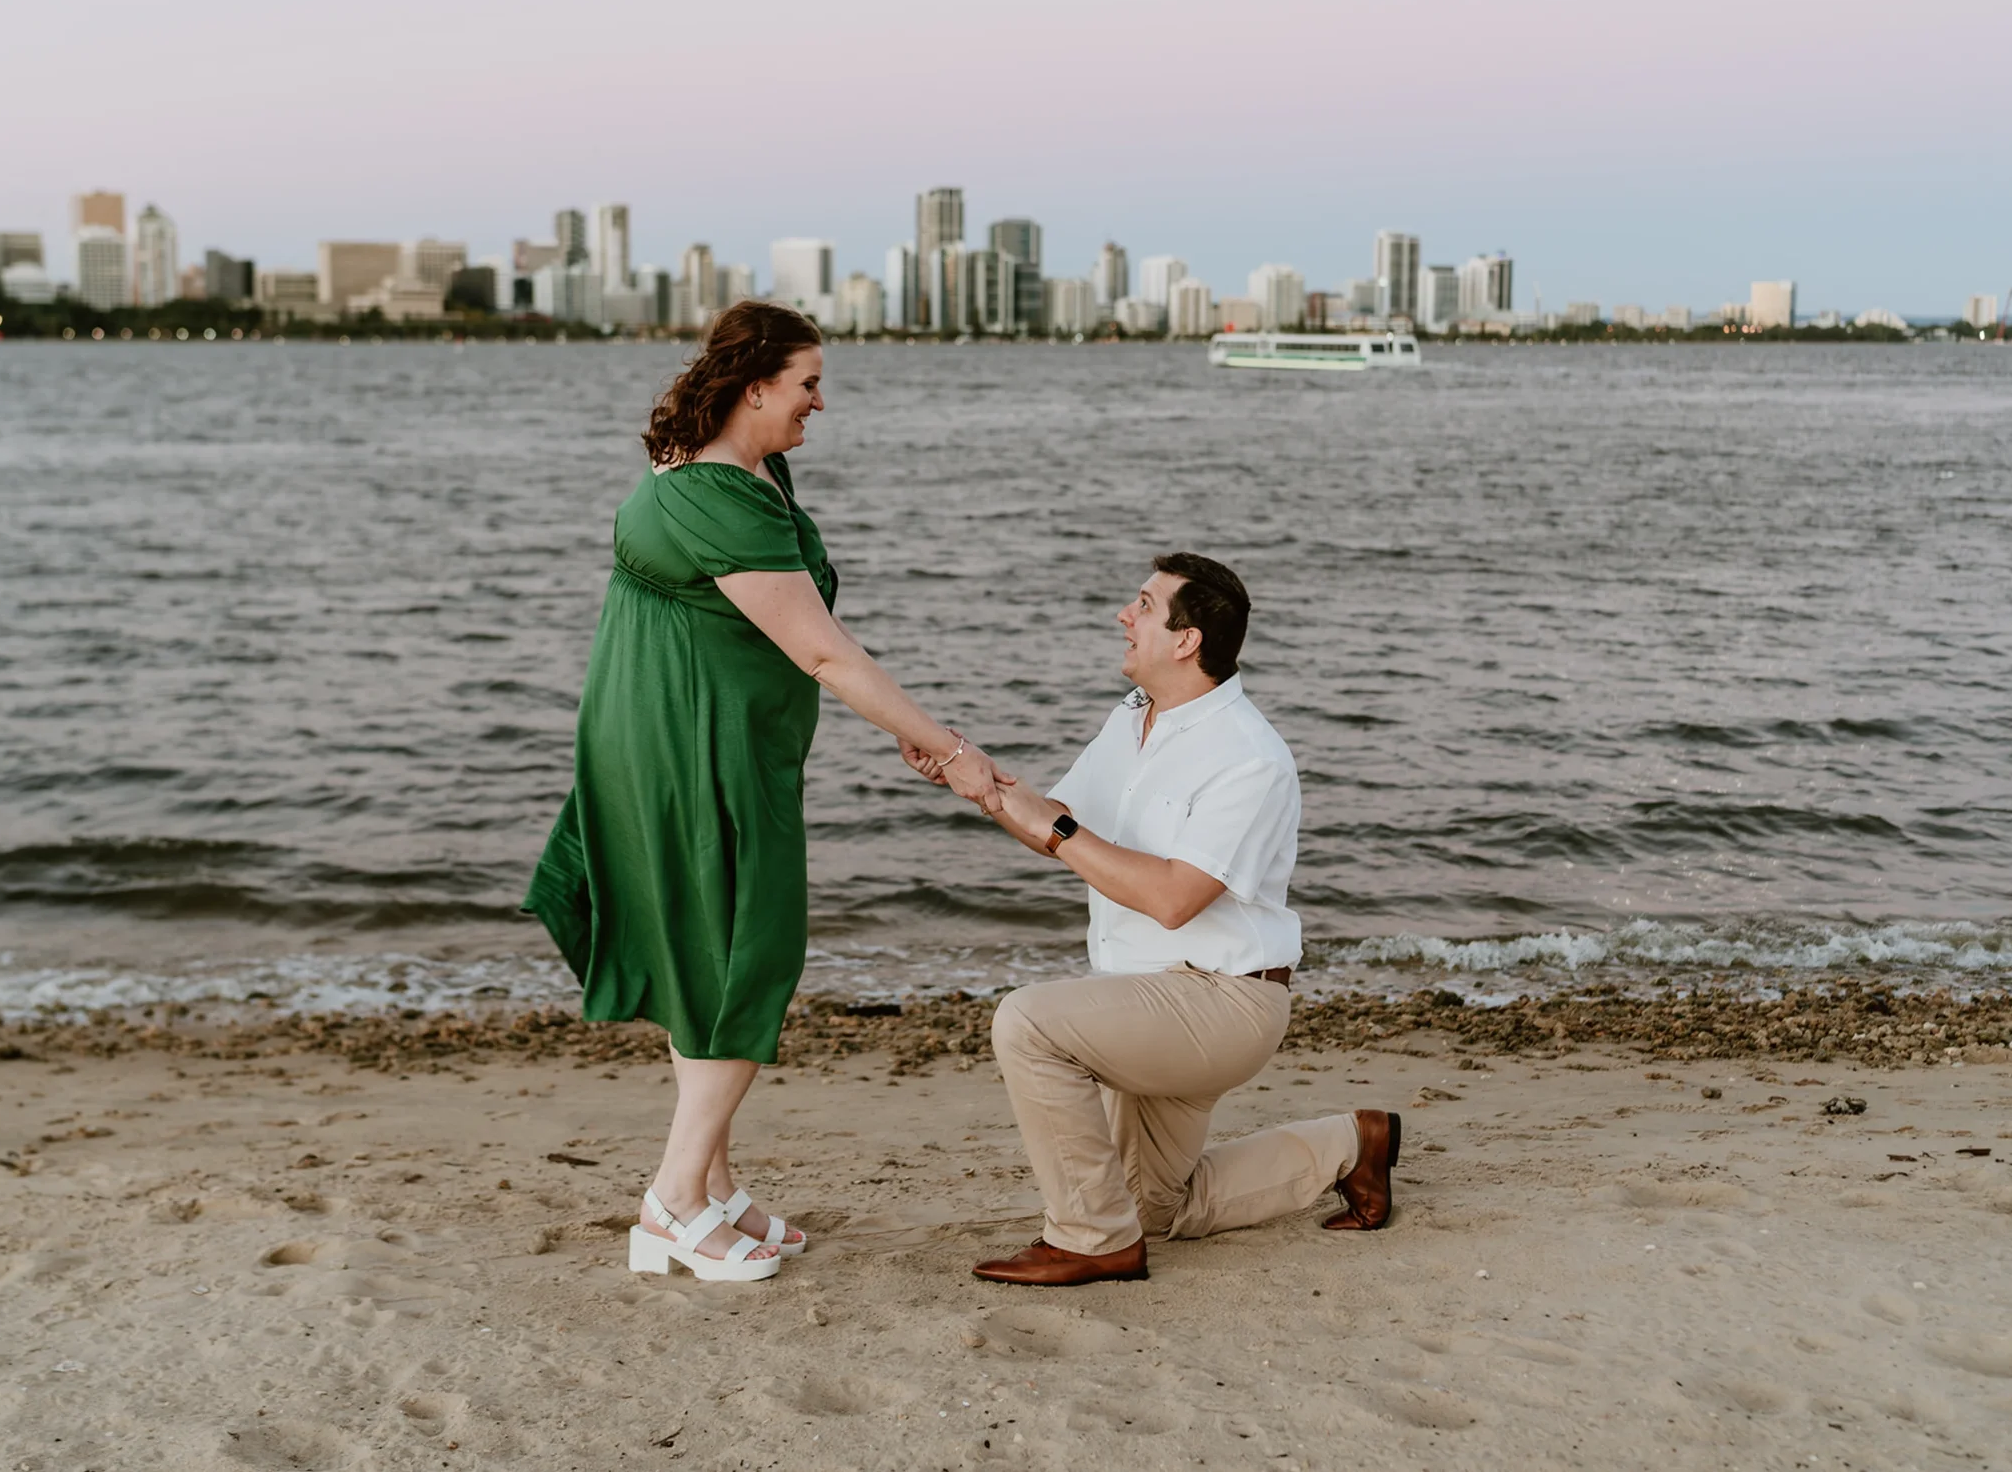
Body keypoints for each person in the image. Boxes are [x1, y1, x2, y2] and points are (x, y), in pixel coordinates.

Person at [526, 301, 1003, 1283]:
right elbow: (822, 648)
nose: (820, 402)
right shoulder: (717, 493)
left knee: (704, 950)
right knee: (749, 951)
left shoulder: (721, 463)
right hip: (693, 744)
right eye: (807, 382)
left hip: (678, 727)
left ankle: (711, 1186)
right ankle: (668, 1204)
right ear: (755, 385)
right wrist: (949, 749)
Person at [909, 553, 1398, 1286]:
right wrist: (973, 777)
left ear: (1186, 639)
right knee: (1157, 1205)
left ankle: (1090, 1238)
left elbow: (1173, 898)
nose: (1123, 615)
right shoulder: (1133, 721)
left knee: (1028, 1022)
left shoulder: (1249, 756)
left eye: (1143, 603)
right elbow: (1062, 826)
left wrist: (1060, 832)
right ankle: (1351, 1145)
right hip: (1146, 998)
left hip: (1222, 999)